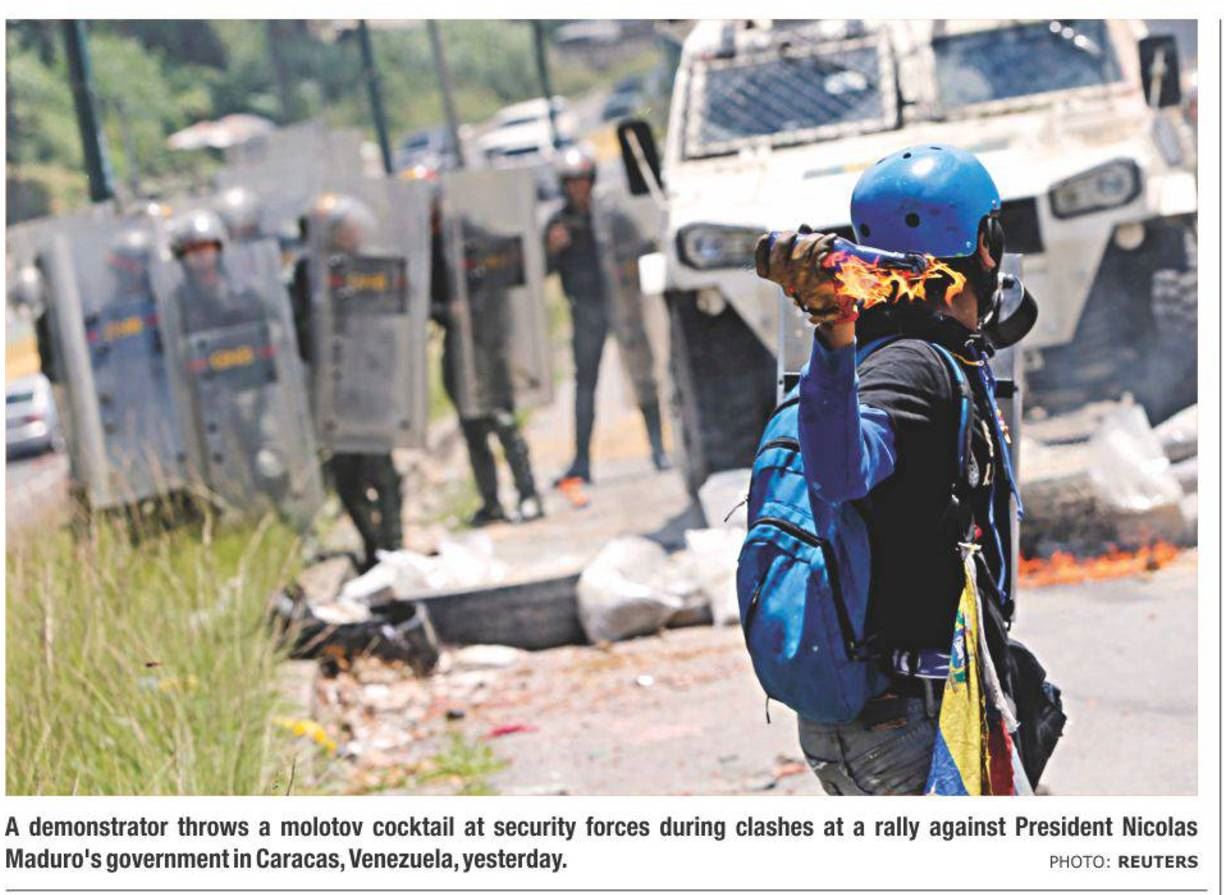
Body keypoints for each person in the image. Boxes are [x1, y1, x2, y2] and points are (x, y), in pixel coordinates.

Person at [755, 144, 1025, 795]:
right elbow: (842, 470)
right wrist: (831, 332)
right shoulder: (910, 365)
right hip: (904, 723)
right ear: (985, 244)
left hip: (894, 712)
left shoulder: (920, 347)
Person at [544, 145, 670, 486]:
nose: (578, 187)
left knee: (643, 375)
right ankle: (581, 461)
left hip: (624, 307)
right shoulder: (558, 223)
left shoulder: (613, 215)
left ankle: (658, 449)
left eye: (583, 180)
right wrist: (552, 248)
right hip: (585, 312)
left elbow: (645, 250)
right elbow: (541, 269)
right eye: (571, 181)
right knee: (585, 385)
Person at [291, 193, 404, 570]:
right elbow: (301, 330)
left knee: (381, 468)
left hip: (370, 383)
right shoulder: (307, 274)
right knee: (347, 476)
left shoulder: (369, 267)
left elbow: (390, 321)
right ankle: (372, 546)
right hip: (334, 391)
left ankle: (393, 544)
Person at [429, 189, 543, 526]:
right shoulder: (426, 249)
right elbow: (424, 300)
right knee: (472, 429)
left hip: (489, 343)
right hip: (457, 345)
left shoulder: (471, 234)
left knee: (503, 421)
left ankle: (528, 494)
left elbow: (504, 271)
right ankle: (490, 501)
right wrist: (449, 312)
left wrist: (478, 310)